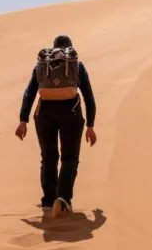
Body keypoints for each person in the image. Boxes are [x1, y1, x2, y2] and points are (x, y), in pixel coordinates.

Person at [14, 34, 97, 216]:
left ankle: (48, 201)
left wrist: (23, 121)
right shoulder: (76, 66)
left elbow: (29, 93)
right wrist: (90, 126)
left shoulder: (42, 66)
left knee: (48, 158)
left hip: (44, 114)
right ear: (70, 49)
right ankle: (64, 198)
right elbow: (89, 98)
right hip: (71, 113)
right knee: (69, 158)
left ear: (53, 48)